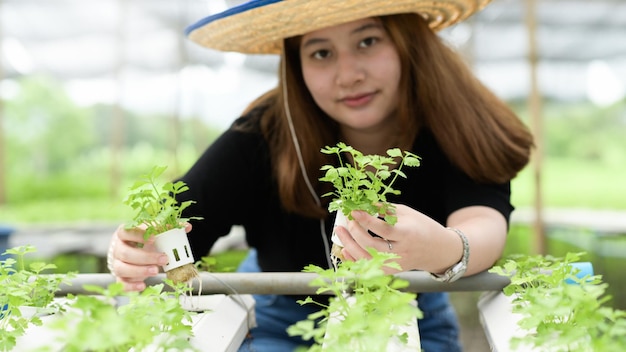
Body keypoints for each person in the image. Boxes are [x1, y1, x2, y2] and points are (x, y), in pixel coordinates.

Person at [107, 0, 534, 351]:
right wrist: (139, 249)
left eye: (367, 41)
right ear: (296, 66)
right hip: (282, 319)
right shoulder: (265, 131)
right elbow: (178, 220)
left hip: (414, 310)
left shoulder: (456, 122)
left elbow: (483, 222)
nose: (348, 75)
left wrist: (443, 247)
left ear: (409, 43)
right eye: (321, 53)